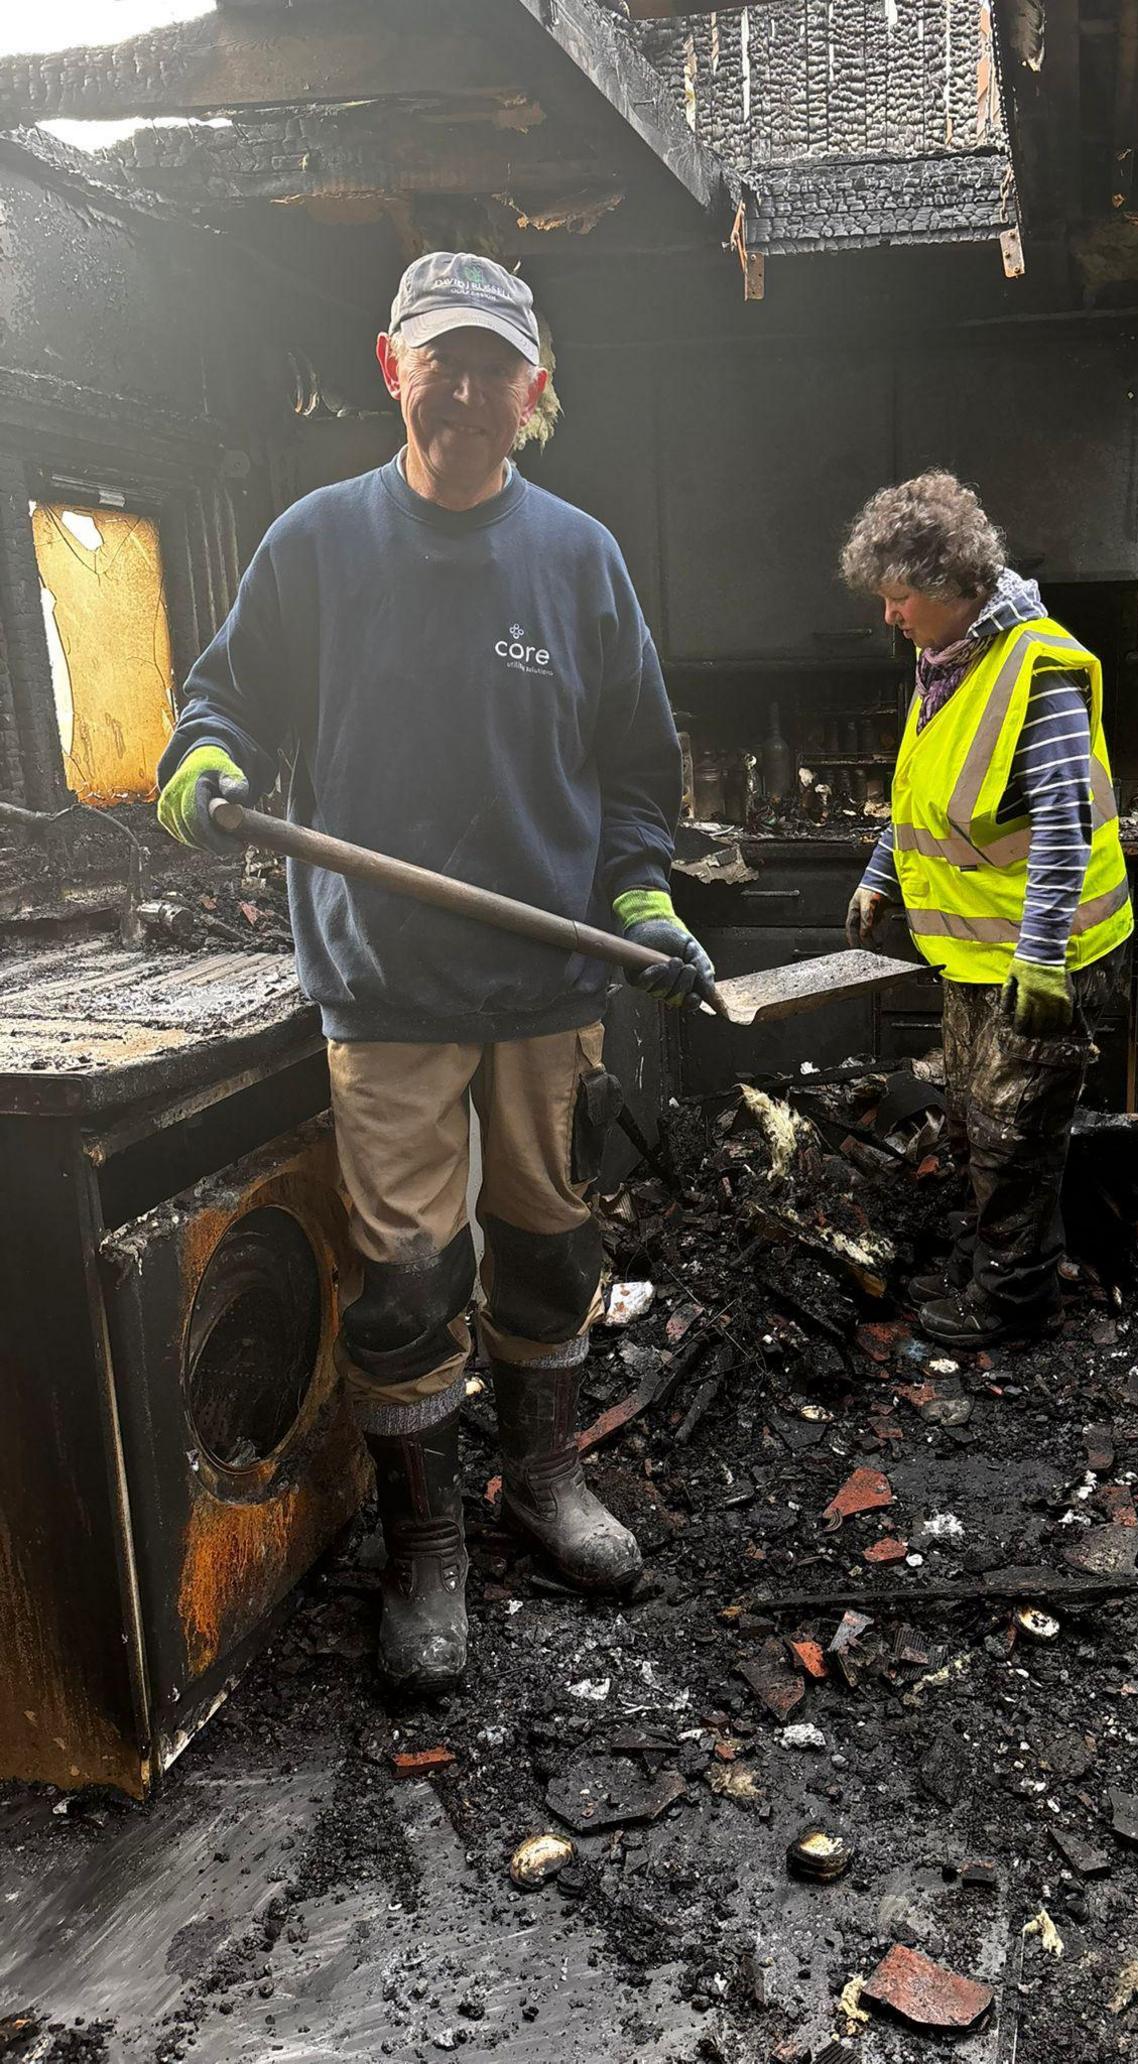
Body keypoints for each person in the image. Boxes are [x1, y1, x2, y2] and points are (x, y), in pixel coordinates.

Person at [156, 252, 714, 1693]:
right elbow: (221, 699)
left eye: (497, 367)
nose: (468, 390)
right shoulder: (315, 545)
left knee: (549, 1244)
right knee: (408, 1277)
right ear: (392, 368)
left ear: (537, 393)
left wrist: (640, 890)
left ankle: (537, 1487)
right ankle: (427, 1551)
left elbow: (638, 767)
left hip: (546, 985)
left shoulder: (580, 558)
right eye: (441, 360)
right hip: (385, 984)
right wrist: (203, 762)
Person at [841, 471, 1133, 1349]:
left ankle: (1013, 1306)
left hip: (1047, 953)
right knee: (978, 1119)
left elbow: (1065, 825)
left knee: (1013, 1134)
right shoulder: (945, 664)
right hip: (977, 952)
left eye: (899, 599)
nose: (890, 617)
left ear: (952, 587)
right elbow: (919, 795)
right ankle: (995, 1266)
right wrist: (878, 872)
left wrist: (1041, 959)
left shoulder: (1034, 666)